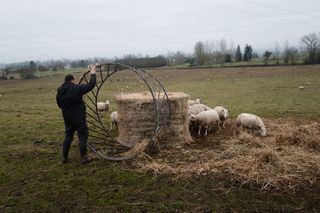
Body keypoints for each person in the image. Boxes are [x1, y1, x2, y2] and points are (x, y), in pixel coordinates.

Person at [56, 64, 97, 164]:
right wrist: (93, 72)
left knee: (68, 137)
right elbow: (91, 84)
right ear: (72, 80)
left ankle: (64, 158)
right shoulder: (76, 88)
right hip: (79, 118)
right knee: (83, 136)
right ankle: (84, 158)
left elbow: (60, 106)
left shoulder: (59, 92)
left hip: (67, 119)